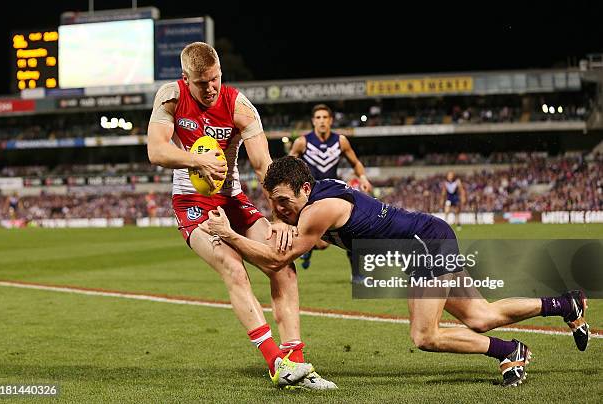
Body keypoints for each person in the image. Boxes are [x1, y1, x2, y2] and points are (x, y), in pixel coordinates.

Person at [204, 156, 590, 388]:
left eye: (284, 202)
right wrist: (289, 227)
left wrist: (229, 234)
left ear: (305, 189)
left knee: (424, 335)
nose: (280, 210)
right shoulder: (318, 198)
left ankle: (511, 350)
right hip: (430, 235)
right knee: (480, 315)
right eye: (274, 204)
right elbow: (318, 240)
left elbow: (275, 261)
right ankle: (564, 304)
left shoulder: (318, 210)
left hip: (424, 244)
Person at [147, 43, 335, 390]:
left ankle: (295, 360)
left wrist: (280, 218)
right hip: (191, 203)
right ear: (185, 78)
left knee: (282, 263)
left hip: (233, 200)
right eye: (202, 83)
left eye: (215, 79)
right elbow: (156, 149)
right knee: (233, 266)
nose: (211, 88)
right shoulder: (170, 96)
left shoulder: (239, 106)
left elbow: (264, 166)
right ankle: (275, 364)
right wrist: (196, 161)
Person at [289, 104, 372, 281]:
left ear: (331, 120)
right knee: (321, 243)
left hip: (334, 193)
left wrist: (363, 177)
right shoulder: (302, 142)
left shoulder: (340, 141)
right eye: (318, 118)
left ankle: (357, 274)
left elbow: (355, 162)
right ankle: (308, 249)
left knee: (352, 230)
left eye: (325, 117)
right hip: (310, 196)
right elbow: (288, 166)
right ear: (313, 121)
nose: (322, 121)